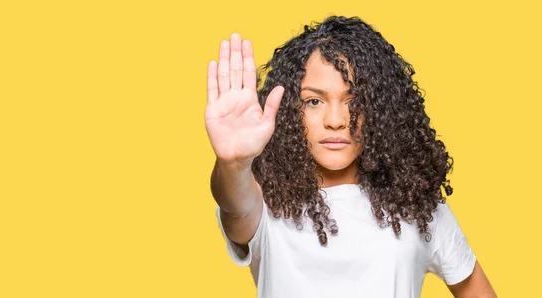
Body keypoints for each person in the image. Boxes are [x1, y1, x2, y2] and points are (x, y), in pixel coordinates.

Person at [205, 15, 496, 298]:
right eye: (314, 101)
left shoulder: (416, 205)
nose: (335, 120)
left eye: (354, 101)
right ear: (291, 109)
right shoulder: (266, 202)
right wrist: (234, 164)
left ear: (380, 110)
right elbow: (237, 206)